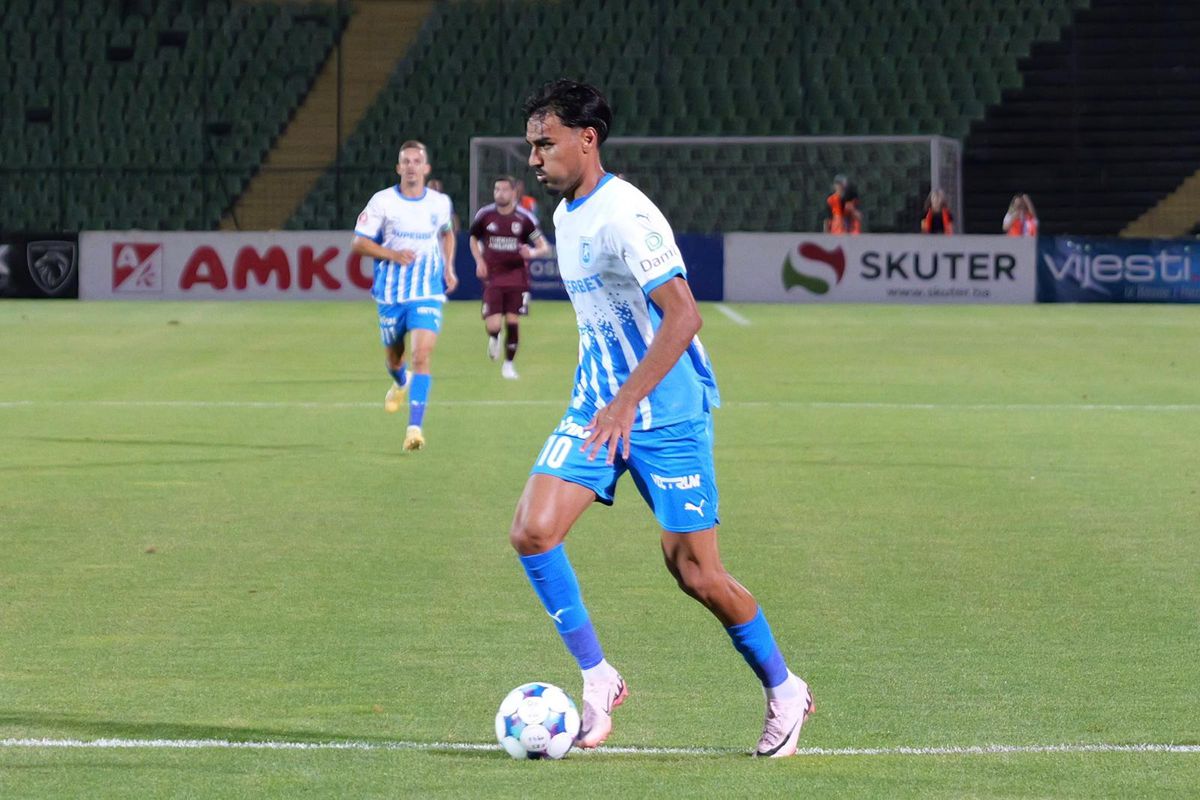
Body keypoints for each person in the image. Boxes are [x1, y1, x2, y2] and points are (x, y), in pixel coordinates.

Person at [510, 79, 813, 757]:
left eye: (545, 143)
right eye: (530, 145)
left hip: (666, 414)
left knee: (696, 573)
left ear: (586, 140)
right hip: (597, 406)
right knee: (532, 531)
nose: (534, 158)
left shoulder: (626, 215)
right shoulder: (564, 215)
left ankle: (785, 688)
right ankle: (598, 678)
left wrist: (628, 403)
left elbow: (684, 315)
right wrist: (608, 401)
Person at [350, 140, 458, 452]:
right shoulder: (382, 202)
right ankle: (400, 382)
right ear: (399, 168)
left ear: (426, 168)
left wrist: (449, 267)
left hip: (427, 291)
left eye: (417, 161)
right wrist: (391, 254)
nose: (411, 166)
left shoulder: (439, 203)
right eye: (405, 161)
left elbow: (447, 232)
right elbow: (358, 243)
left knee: (421, 355)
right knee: (394, 359)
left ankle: (414, 428)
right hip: (390, 294)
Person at [469, 175, 551, 379]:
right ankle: (494, 337)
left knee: (513, 322)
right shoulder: (485, 215)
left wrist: (531, 253)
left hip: (517, 276)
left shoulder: (524, 218)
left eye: (505, 190)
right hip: (493, 277)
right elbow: (473, 238)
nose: (500, 194)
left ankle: (508, 364)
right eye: (497, 190)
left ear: (513, 193)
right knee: (493, 325)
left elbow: (544, 247)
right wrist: (479, 261)